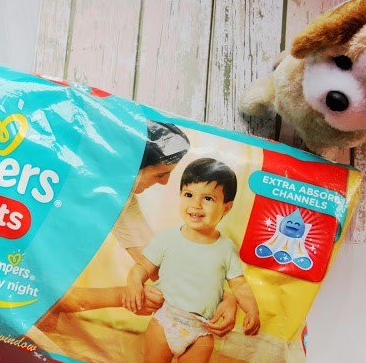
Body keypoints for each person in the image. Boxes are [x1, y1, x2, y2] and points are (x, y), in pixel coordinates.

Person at [42, 122, 239, 338]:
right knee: (44, 317)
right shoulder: (66, 183)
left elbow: (162, 268)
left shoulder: (122, 200)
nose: (165, 183)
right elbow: (37, 293)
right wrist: (123, 296)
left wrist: (225, 297)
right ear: (130, 165)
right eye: (160, 174)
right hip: (20, 292)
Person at [123, 158, 260, 363]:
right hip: (165, 320)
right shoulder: (167, 239)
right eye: (188, 195)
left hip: (202, 329)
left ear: (226, 207)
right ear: (180, 196)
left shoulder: (226, 248)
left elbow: (240, 285)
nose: (196, 205)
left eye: (208, 199)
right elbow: (142, 267)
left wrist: (252, 310)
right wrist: (133, 282)